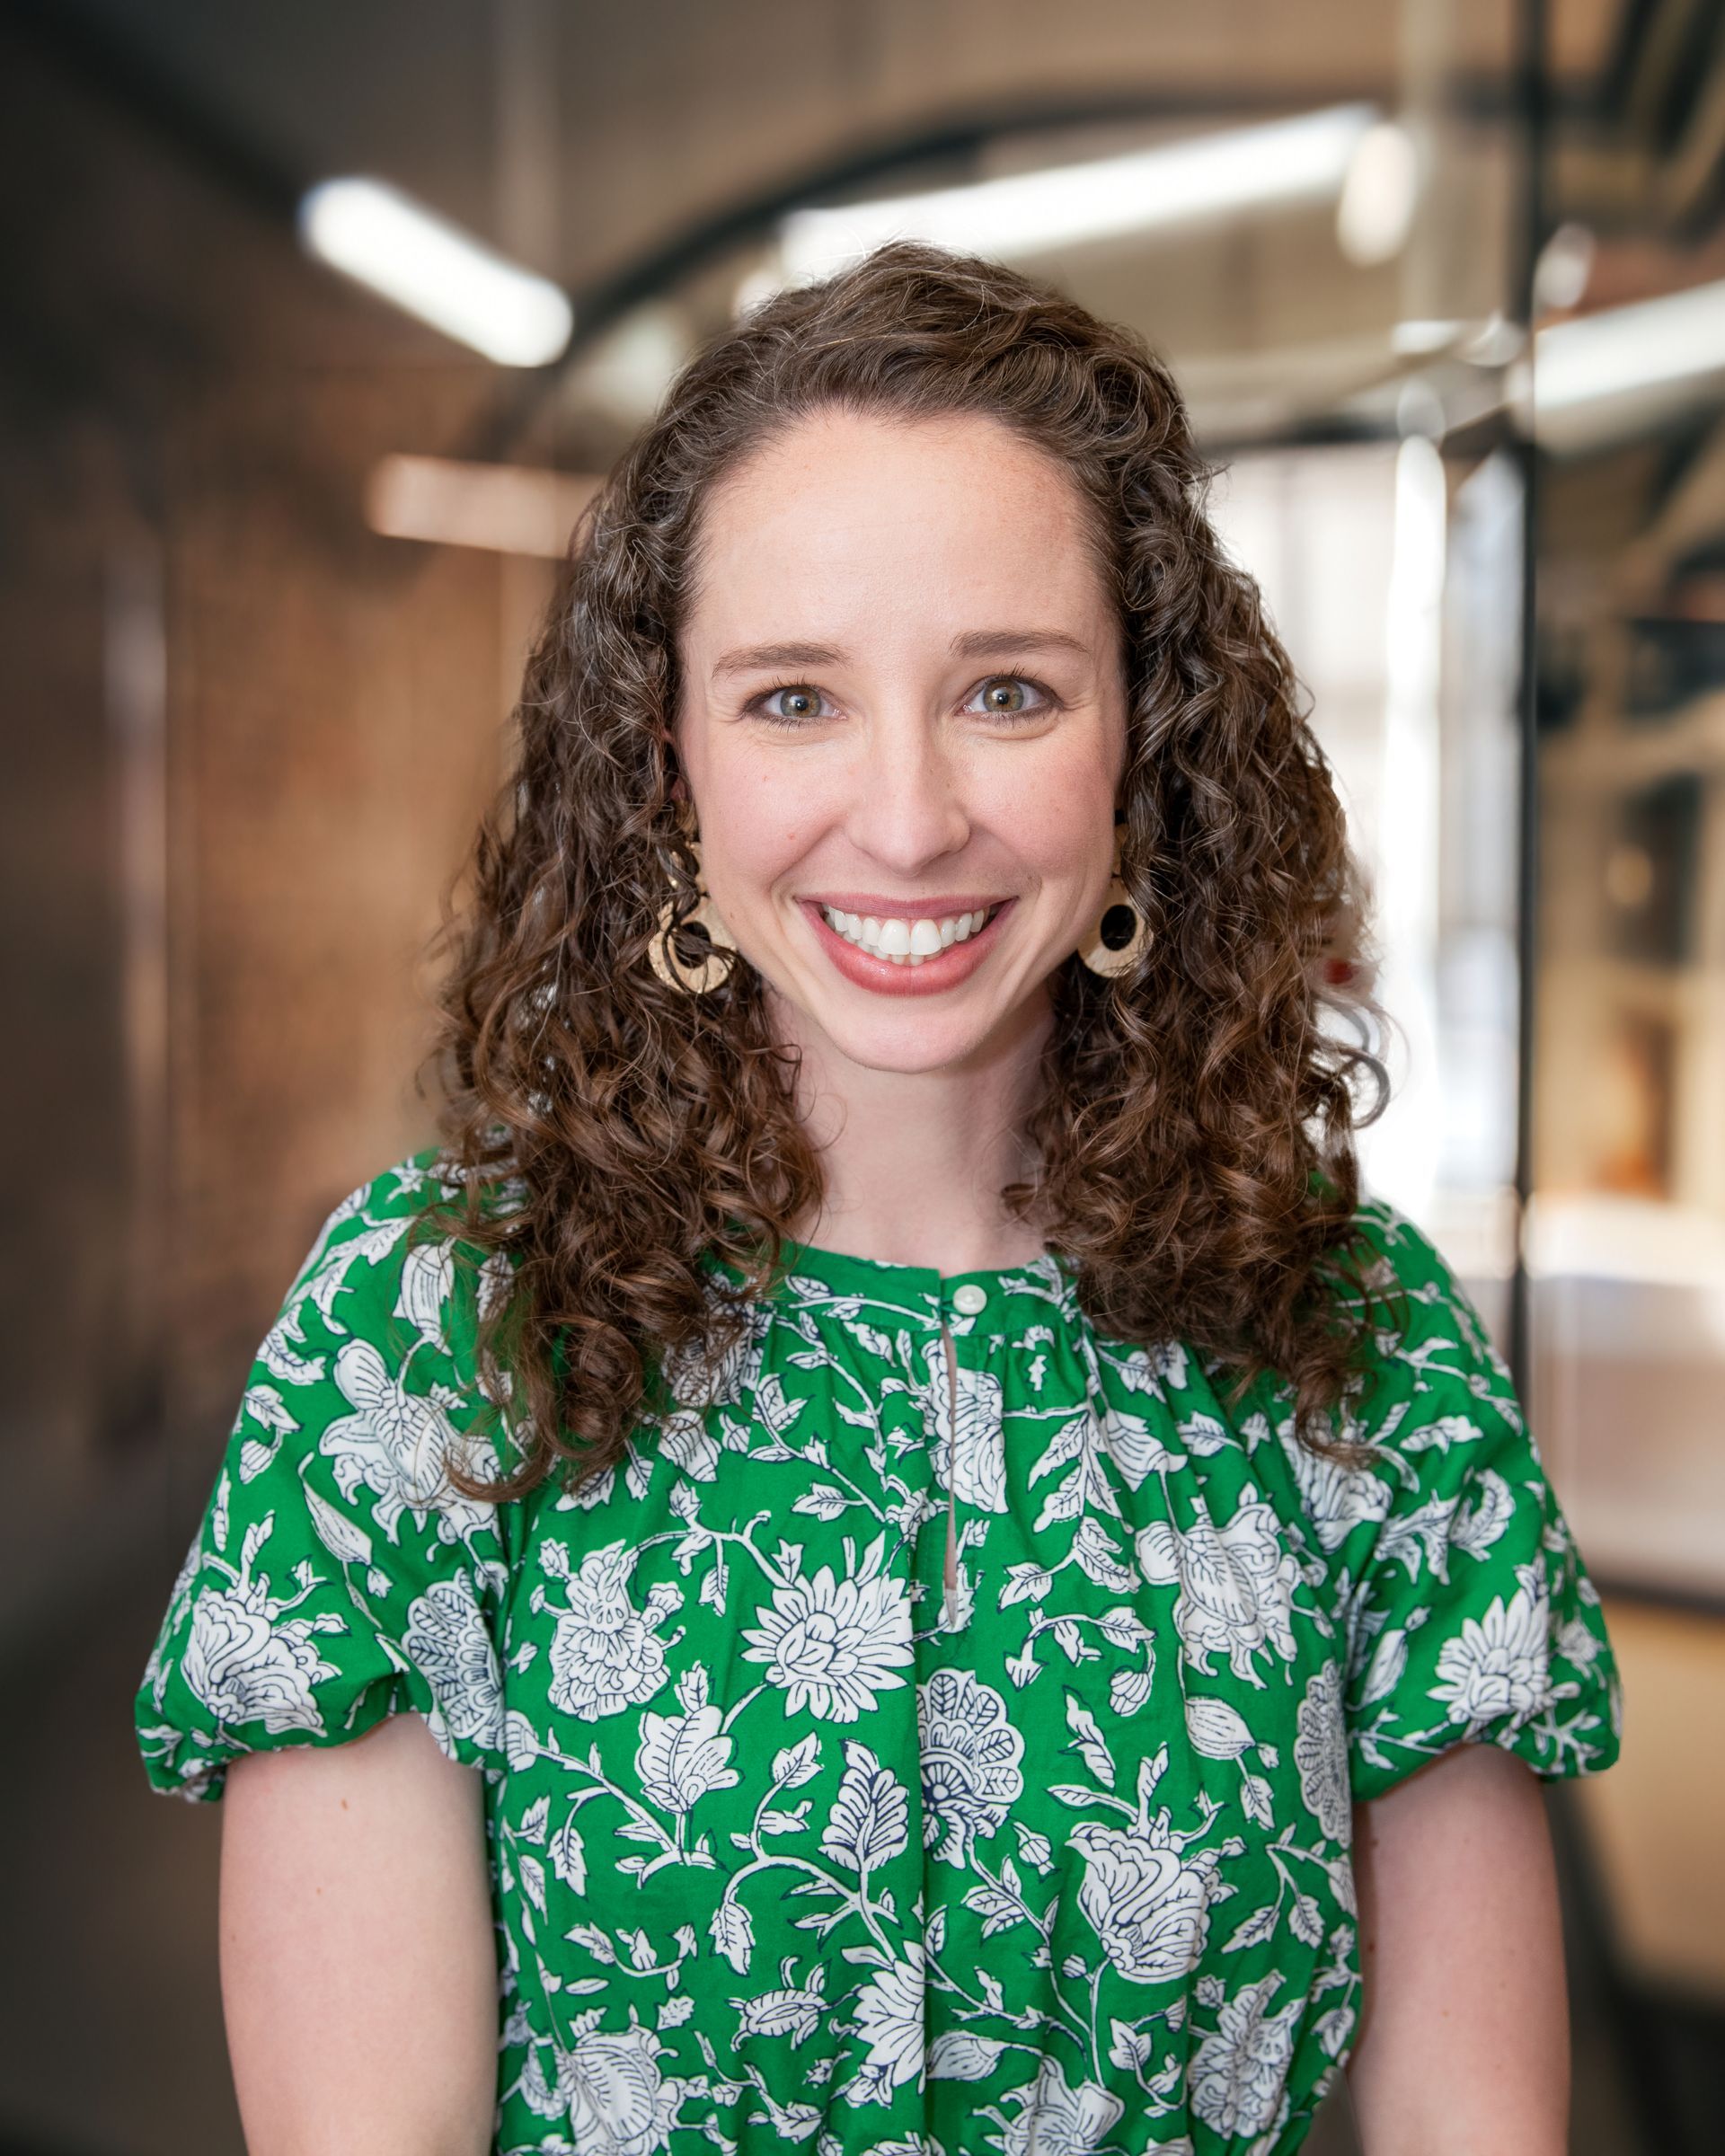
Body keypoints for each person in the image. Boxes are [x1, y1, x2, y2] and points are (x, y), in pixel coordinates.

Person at [134, 243, 1622, 2156]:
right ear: (667, 764)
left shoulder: (1363, 1349)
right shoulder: (429, 1336)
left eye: (1007, 690)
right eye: (792, 701)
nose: (908, 818)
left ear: (1140, 753)